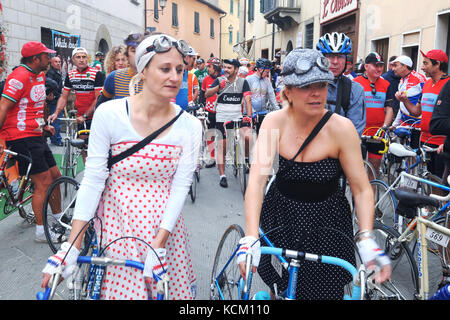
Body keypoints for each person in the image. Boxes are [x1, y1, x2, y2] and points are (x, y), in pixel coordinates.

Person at [41, 33, 202, 300]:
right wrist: (72, 246)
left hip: (165, 228)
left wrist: (159, 245)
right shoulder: (110, 114)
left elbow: (181, 185)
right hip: (117, 222)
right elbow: (94, 178)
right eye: (165, 68)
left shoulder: (190, 125)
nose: (175, 77)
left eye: (179, 70)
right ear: (143, 69)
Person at [237, 48, 391, 300]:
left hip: (327, 223)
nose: (316, 93)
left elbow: (361, 188)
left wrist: (366, 236)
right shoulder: (274, 122)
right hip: (282, 217)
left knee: (324, 292)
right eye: (306, 86)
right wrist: (251, 235)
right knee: (282, 287)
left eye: (321, 84)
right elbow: (256, 181)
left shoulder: (341, 128)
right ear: (287, 91)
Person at [0, 41, 65, 243]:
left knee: (56, 176)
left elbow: (36, 105)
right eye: (46, 55)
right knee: (44, 182)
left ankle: (59, 219)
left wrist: (44, 124)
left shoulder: (39, 74)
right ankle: (41, 232)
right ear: (35, 58)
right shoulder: (19, 76)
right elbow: (3, 106)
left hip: (36, 134)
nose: (49, 58)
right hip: (20, 137)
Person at [49, 47, 105, 162]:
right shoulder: (71, 75)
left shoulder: (97, 74)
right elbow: (64, 97)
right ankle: (87, 172)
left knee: (97, 147)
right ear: (73, 60)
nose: (81, 60)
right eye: (78, 57)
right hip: (80, 116)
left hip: (96, 115)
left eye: (84, 57)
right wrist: (56, 113)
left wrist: (85, 116)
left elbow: (98, 99)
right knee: (84, 147)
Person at [205, 58, 253, 188]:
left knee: (248, 136)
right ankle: (222, 175)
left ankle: (246, 159)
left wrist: (249, 117)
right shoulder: (220, 80)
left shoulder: (243, 82)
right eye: (225, 67)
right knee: (223, 146)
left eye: (229, 68)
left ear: (236, 70)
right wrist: (217, 87)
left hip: (237, 117)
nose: (226, 70)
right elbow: (207, 94)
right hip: (222, 118)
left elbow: (248, 99)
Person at [407, 50, 449, 179]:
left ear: (437, 65)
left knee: (440, 185)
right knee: (428, 181)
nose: (422, 67)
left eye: (426, 63)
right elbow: (417, 111)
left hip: (441, 144)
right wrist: (405, 101)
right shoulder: (426, 84)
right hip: (424, 140)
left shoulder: (448, 85)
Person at [316, 32, 366, 136]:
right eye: (330, 56)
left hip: (338, 148)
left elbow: (354, 131)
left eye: (340, 57)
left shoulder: (354, 90)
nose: (335, 61)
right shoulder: (306, 85)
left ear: (346, 59)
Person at [353, 52, 395, 176]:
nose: (379, 68)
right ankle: (356, 195)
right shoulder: (355, 83)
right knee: (356, 172)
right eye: (375, 65)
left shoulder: (386, 84)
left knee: (374, 171)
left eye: (381, 65)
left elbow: (389, 108)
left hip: (377, 134)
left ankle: (371, 195)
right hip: (360, 132)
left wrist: (385, 127)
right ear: (366, 67)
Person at [96, 33, 145, 105]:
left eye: (141, 50)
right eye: (133, 50)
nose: (138, 54)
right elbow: (100, 104)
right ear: (127, 55)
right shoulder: (114, 76)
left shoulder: (156, 77)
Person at [391, 55, 426, 127]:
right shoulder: (401, 80)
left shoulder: (419, 78)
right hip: (404, 123)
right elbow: (402, 105)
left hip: (417, 124)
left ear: (404, 66)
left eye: (395, 66)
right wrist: (395, 124)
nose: (393, 69)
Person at [245, 58, 279, 134]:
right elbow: (245, 98)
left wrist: (277, 110)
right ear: (260, 69)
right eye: (266, 71)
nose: (267, 74)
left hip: (262, 112)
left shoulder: (267, 81)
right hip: (251, 114)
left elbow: (271, 96)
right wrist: (251, 112)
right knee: (251, 138)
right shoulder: (249, 79)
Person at [201, 57, 222, 168]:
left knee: (220, 135)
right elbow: (202, 94)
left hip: (221, 111)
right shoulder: (205, 79)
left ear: (216, 68)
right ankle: (211, 157)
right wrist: (201, 106)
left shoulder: (224, 78)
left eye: (209, 67)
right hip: (210, 110)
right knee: (210, 134)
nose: (207, 69)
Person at [45, 56, 64, 146]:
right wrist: (49, 94)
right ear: (51, 63)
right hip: (54, 101)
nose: (58, 63)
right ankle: (56, 139)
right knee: (56, 120)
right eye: (56, 62)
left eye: (59, 61)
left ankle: (55, 138)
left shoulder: (56, 72)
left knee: (55, 120)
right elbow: (48, 84)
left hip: (56, 99)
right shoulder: (51, 73)